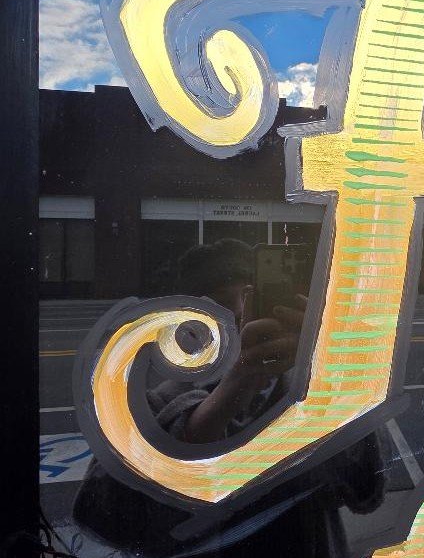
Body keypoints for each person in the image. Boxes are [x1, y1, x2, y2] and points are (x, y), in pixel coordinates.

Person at [73, 239, 387, 558]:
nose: (240, 313)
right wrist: (230, 392)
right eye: (223, 305)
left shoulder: (310, 395)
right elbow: (105, 520)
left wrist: (335, 382)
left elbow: (367, 494)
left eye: (256, 300)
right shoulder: (151, 405)